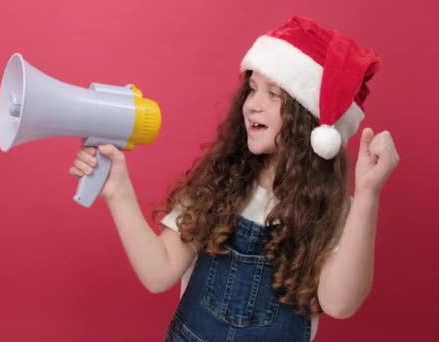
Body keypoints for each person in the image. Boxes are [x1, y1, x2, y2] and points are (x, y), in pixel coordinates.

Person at [69, 16, 399, 341]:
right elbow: (159, 273)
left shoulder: (332, 212)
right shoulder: (220, 184)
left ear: (309, 119)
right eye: (252, 89)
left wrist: (368, 193)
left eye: (273, 94)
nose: (252, 105)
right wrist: (117, 192)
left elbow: (340, 304)